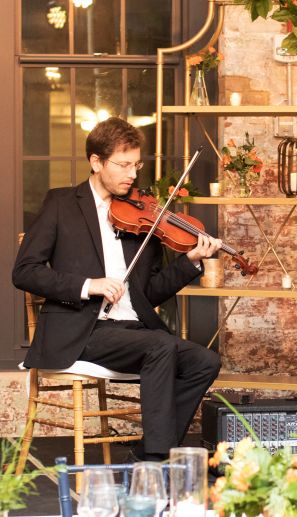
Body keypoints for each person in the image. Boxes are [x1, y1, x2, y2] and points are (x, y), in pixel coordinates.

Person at [13, 117, 222, 461]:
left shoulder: (141, 216)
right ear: (96, 162)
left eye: (136, 165)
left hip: (130, 330)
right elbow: (24, 272)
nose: (132, 174)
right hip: (81, 330)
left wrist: (191, 261)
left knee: (205, 361)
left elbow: (149, 294)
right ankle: (156, 461)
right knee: (160, 347)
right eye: (123, 165)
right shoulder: (62, 204)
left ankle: (148, 450)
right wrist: (87, 285)